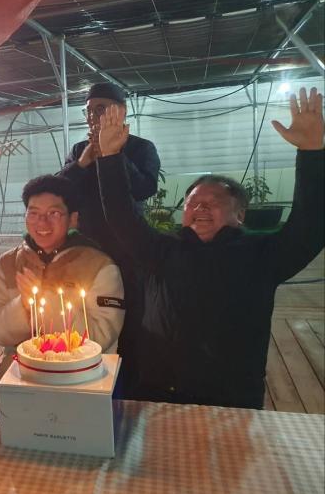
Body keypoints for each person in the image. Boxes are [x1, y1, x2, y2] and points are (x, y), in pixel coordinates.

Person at [96, 87, 324, 409]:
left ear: (240, 214)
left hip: (231, 399)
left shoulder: (262, 254)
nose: (201, 207)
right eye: (193, 202)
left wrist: (312, 152)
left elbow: (310, 226)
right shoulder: (161, 249)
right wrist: (109, 157)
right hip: (159, 394)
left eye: (214, 201)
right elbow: (121, 216)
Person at [58, 83, 160, 393]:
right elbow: (59, 192)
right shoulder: (80, 149)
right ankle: (84, 383)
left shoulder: (140, 148)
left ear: (121, 112)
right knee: (85, 318)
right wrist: (84, 161)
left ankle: (131, 392)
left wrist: (114, 153)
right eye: (88, 110)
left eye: (100, 108)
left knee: (131, 321)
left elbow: (145, 188)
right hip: (87, 253)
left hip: (128, 251)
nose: (93, 115)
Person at [0, 175, 125, 359]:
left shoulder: (99, 266)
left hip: (78, 374)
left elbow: (101, 337)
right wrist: (23, 305)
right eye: (33, 213)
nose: (42, 222)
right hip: (19, 373)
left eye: (54, 213)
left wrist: (45, 301)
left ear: (73, 219)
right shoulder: (6, 264)